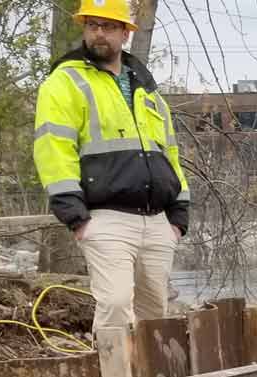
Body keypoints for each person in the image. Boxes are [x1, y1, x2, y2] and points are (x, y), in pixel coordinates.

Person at [33, 0, 189, 335]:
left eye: (108, 26)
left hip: (158, 221)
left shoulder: (146, 88)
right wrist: (76, 216)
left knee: (155, 316)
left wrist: (178, 215)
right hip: (105, 217)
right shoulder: (65, 82)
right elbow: (53, 148)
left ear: (125, 33)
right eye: (92, 25)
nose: (99, 33)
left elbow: (170, 152)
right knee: (116, 306)